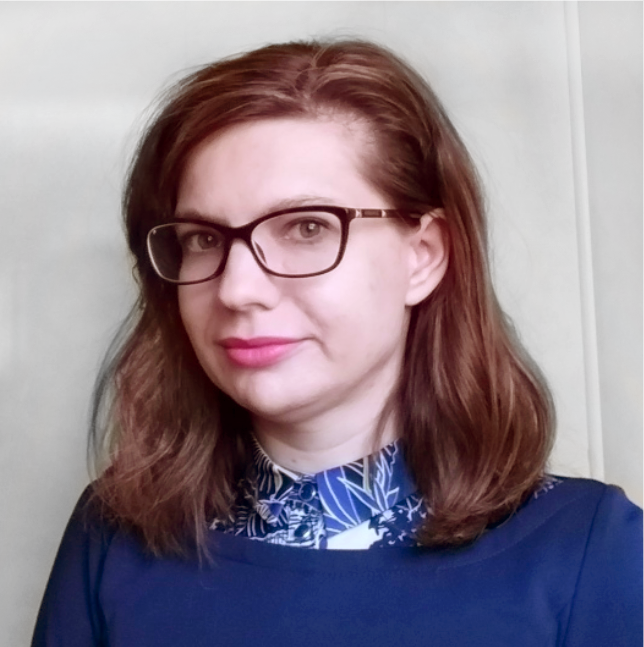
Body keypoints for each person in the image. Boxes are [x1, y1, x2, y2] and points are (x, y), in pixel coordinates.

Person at [32, 39, 641, 646]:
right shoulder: (111, 539)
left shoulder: (593, 554)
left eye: (307, 228)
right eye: (203, 239)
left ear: (423, 256)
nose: (237, 290)